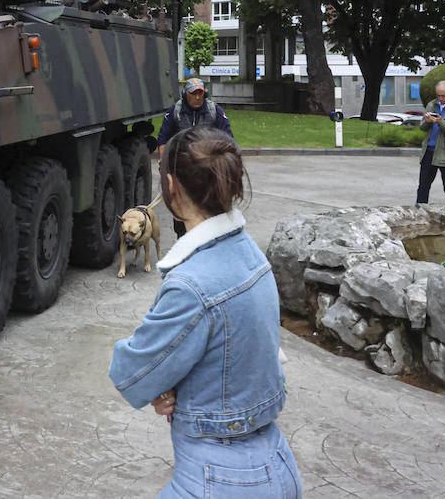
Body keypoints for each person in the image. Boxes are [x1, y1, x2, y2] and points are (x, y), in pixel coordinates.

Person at [109, 127, 301, 498]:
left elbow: (132, 373)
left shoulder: (190, 286)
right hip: (278, 464)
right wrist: (176, 380)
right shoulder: (253, 256)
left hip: (221, 479)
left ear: (171, 187)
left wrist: (161, 379)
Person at [155, 77, 234, 236]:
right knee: (181, 207)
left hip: (207, 168)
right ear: (186, 94)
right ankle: (182, 239)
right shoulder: (175, 111)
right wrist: (164, 163)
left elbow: (228, 139)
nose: (198, 97)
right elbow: (163, 139)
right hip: (181, 167)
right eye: (194, 94)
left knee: (206, 207)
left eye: (201, 94)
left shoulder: (215, 111)